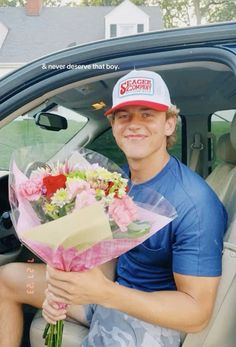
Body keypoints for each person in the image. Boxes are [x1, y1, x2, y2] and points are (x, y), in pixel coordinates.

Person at [0, 70, 227, 347]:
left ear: (169, 123)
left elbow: (196, 314)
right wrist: (63, 290)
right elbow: (107, 254)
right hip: (107, 296)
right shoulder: (115, 181)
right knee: (7, 278)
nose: (134, 124)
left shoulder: (194, 203)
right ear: (114, 124)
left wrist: (107, 293)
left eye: (147, 114)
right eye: (124, 116)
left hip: (152, 317)